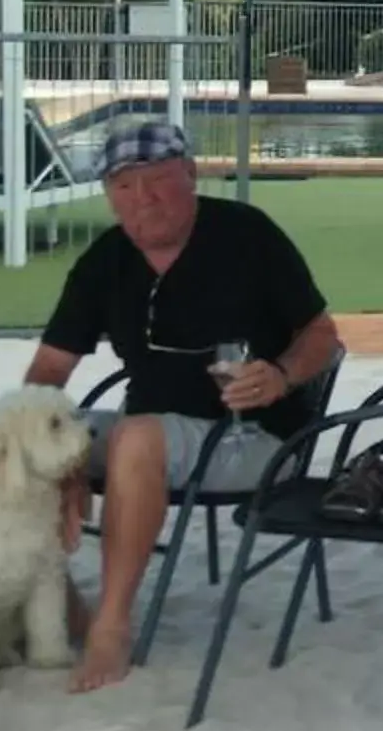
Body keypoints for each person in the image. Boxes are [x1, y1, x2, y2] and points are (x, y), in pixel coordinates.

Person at [25, 119, 343, 691]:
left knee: (137, 437)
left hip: (257, 439)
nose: (142, 199)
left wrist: (279, 375)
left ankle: (111, 628)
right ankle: (64, 605)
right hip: (143, 432)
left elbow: (322, 335)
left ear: (191, 175)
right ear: (108, 195)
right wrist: (62, 461)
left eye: (157, 180)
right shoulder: (106, 260)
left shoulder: (247, 235)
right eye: (123, 186)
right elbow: (49, 371)